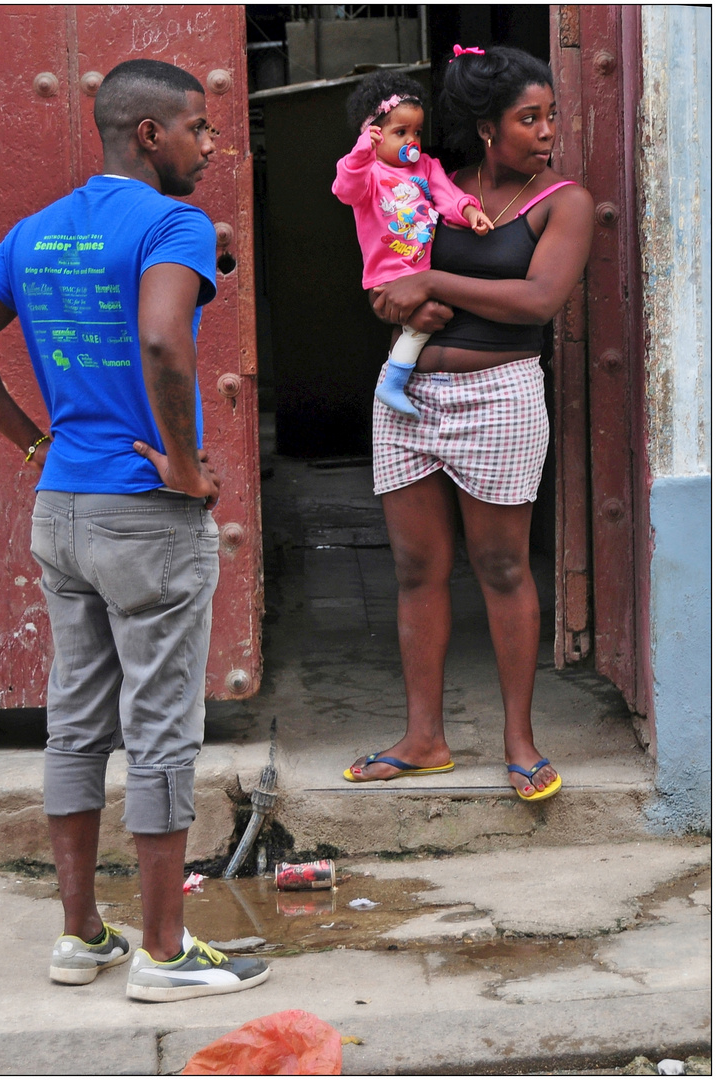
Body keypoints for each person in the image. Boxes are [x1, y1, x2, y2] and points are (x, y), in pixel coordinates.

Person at [0, 58, 269, 1002]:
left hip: (63, 512)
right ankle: (164, 952)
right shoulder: (173, 224)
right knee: (161, 734)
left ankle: (81, 936)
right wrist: (190, 468)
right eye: (200, 127)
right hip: (147, 516)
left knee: (77, 727)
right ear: (149, 134)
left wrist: (35, 442)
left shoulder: (37, 231)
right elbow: (164, 338)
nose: (212, 144)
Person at [343, 45, 594, 800]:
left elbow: (538, 301)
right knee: (417, 569)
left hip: (502, 397)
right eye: (530, 118)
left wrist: (434, 281)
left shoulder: (564, 202)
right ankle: (425, 739)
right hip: (409, 394)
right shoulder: (434, 181)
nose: (548, 131)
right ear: (486, 128)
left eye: (551, 116)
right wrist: (397, 294)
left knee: (503, 567)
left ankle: (520, 740)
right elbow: (388, 266)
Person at [332, 66, 493, 420]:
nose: (411, 142)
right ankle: (393, 382)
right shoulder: (369, 173)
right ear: (373, 134)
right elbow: (345, 188)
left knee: (438, 316)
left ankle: (409, 382)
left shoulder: (426, 167)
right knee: (420, 325)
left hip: (422, 267)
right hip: (389, 272)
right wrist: (362, 153)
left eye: (417, 133)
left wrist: (469, 212)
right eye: (400, 132)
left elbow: (448, 195)